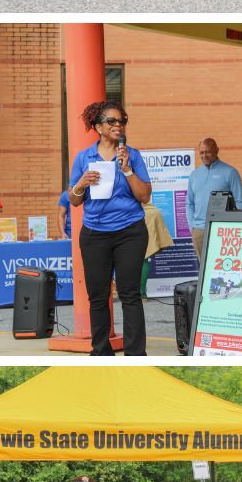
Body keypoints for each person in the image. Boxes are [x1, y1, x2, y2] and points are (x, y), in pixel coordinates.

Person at [67, 100, 151, 356]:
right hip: (95, 234)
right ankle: (101, 352)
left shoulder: (132, 155)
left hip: (130, 231)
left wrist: (127, 170)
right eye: (112, 121)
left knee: (130, 294)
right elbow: (74, 199)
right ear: (98, 126)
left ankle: (136, 355)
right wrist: (81, 183)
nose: (118, 125)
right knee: (98, 296)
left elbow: (145, 196)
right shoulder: (84, 158)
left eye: (122, 120)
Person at [186, 137, 242, 261]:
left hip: (223, 230)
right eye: (201, 152)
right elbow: (189, 204)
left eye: (207, 152)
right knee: (203, 268)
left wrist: (233, 227)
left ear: (216, 151)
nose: (204, 155)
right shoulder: (194, 175)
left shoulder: (230, 172)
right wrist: (192, 226)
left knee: (223, 265)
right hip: (199, 230)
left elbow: (240, 202)